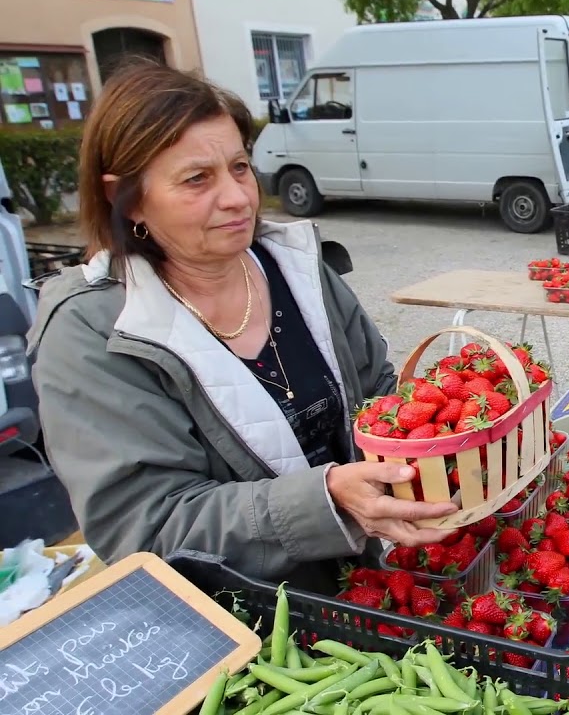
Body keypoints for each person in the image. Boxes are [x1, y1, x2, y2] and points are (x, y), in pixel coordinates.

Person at [27, 61, 458, 593]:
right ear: (126, 197)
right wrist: (326, 501)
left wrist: (450, 440)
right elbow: (146, 525)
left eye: (239, 167)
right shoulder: (92, 332)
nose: (236, 197)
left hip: (365, 582)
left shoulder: (299, 270)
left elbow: (378, 399)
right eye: (196, 179)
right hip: (245, 624)